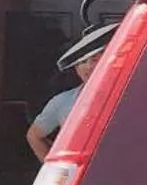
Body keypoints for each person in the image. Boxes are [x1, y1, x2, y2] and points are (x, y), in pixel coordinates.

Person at [26, 23, 104, 160]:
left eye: (95, 59)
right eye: (82, 61)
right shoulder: (62, 101)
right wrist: (53, 169)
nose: (89, 66)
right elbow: (34, 136)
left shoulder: (130, 98)